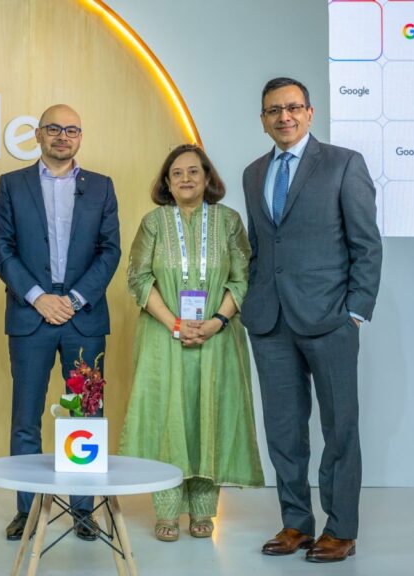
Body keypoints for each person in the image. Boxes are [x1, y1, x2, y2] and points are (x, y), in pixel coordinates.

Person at [243, 77, 381, 563]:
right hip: (270, 321)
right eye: (274, 110)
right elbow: (262, 248)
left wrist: (356, 312)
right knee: (283, 430)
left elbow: (366, 243)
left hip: (330, 320)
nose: (284, 116)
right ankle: (296, 524)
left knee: (340, 428)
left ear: (310, 112)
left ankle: (340, 529)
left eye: (293, 107)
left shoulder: (344, 164)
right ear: (263, 119)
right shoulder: (253, 172)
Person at [118, 144, 264, 542]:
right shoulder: (153, 223)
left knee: (209, 413)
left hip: (217, 337)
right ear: (166, 182)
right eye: (177, 173)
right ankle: (165, 509)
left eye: (194, 172)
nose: (186, 178)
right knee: (168, 416)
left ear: (208, 179)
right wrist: (176, 323)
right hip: (163, 336)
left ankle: (203, 510)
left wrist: (216, 321)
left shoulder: (229, 221)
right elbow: (138, 278)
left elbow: (242, 278)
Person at [0, 104, 121, 542]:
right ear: (38, 134)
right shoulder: (12, 184)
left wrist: (75, 298)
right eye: (53, 128)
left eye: (71, 130)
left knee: (84, 415)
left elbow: (110, 251)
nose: (62, 136)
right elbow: (2, 248)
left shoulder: (101, 187)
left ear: (80, 137)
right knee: (25, 417)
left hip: (84, 318)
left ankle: (83, 510)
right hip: (31, 316)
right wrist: (39, 297)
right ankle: (26, 511)